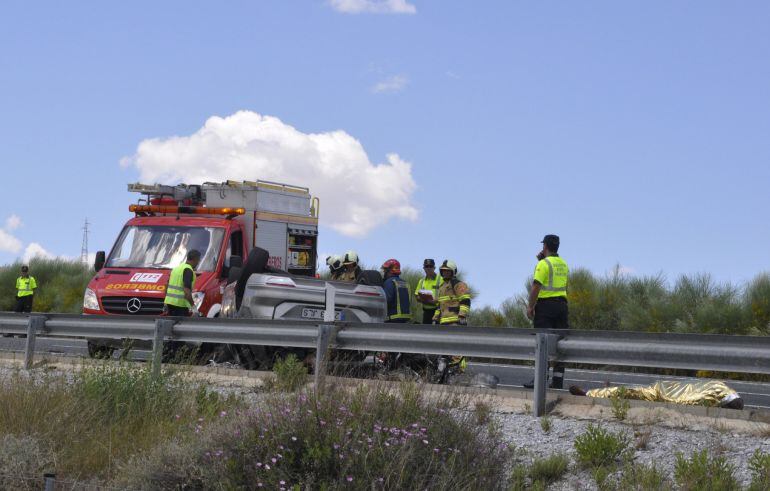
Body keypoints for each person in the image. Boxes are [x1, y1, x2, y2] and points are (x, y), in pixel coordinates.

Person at [524, 234, 569, 389]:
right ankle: (557, 381)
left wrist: (530, 307)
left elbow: (536, 286)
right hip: (562, 306)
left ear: (545, 247)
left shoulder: (543, 264)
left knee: (542, 343)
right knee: (560, 345)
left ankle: (540, 379)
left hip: (545, 307)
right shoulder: (563, 264)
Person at [569, 379, 744, 410]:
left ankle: (593, 393)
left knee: (631, 392)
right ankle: (597, 392)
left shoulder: (721, 388)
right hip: (663, 391)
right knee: (633, 391)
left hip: (663, 391)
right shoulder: (718, 392)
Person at [432, 259, 471, 373]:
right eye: (443, 271)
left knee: (456, 348)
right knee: (445, 348)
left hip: (455, 321)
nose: (445, 273)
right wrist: (435, 319)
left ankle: (459, 370)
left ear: (453, 272)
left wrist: (462, 316)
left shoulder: (459, 284)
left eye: (447, 271)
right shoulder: (442, 286)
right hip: (444, 322)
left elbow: (465, 300)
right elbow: (440, 305)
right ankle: (448, 371)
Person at [163, 249, 201, 316]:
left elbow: (166, 285)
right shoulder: (188, 270)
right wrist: (194, 308)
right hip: (180, 306)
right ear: (195, 259)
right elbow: (187, 292)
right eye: (198, 260)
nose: (198, 263)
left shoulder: (176, 269)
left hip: (170, 305)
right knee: (181, 326)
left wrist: (166, 302)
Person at [414, 258, 443, 324]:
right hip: (426, 312)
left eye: (431, 266)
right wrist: (425, 300)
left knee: (438, 333)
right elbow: (417, 296)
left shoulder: (441, 280)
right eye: (426, 266)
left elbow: (446, 296)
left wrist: (436, 301)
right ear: (424, 268)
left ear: (434, 268)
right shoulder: (421, 281)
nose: (428, 268)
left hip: (438, 311)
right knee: (426, 332)